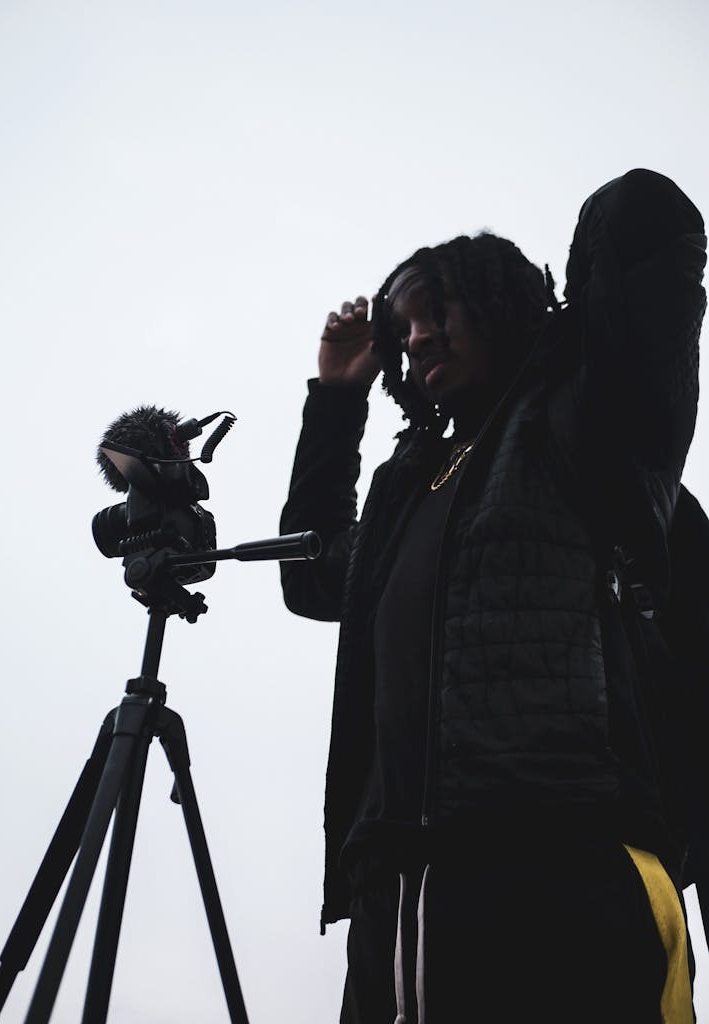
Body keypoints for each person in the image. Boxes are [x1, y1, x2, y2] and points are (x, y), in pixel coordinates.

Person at [280, 169, 707, 1024]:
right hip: (397, 887)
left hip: (563, 855)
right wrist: (335, 401)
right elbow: (314, 577)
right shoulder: (410, 478)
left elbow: (641, 224)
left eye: (438, 307)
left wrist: (560, 323)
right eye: (402, 329)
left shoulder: (586, 423)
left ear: (502, 302)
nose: (416, 337)